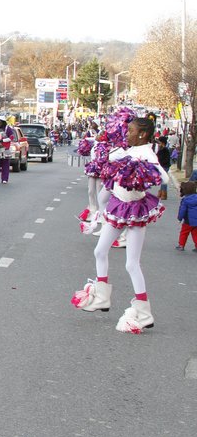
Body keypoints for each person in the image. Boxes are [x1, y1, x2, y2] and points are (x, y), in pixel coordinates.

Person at [71, 115, 167, 333]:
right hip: (118, 206)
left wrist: (141, 167)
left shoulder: (146, 153)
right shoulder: (128, 149)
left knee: (132, 263)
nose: (127, 134)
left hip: (134, 210)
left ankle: (143, 311)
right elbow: (112, 168)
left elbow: (163, 177)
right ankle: (103, 296)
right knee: (99, 251)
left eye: (131, 130)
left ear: (142, 134)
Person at [176, 181, 197, 251]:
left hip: (188, 221)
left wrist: (179, 218)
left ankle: (181, 245)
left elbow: (182, 210)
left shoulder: (185, 200)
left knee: (184, 233)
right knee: (195, 233)